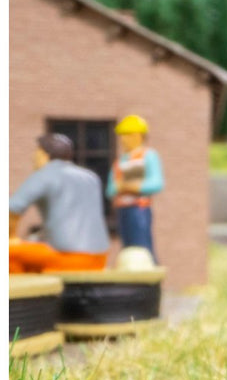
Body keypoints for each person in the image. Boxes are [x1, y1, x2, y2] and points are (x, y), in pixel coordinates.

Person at [9, 134, 110, 273]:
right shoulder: (91, 178)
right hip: (100, 258)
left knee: (10, 253)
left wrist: (11, 237)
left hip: (67, 257)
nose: (33, 158)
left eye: (36, 153)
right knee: (31, 257)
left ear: (45, 155)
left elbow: (12, 209)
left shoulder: (44, 174)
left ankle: (16, 292)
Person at [107, 114, 164, 262]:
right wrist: (119, 187)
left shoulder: (148, 156)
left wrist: (135, 187)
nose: (124, 140)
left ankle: (150, 276)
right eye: (122, 136)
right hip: (122, 208)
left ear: (139, 136)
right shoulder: (120, 161)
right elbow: (111, 187)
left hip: (139, 208)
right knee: (127, 247)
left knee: (142, 245)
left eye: (128, 135)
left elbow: (156, 182)